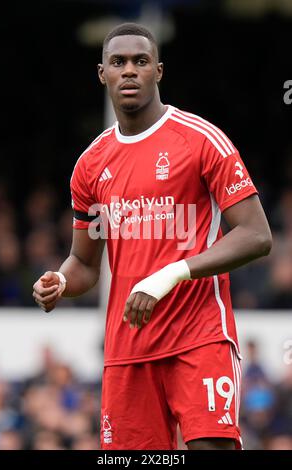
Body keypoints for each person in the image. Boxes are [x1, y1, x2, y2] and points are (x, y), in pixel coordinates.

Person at [33, 23, 272, 450]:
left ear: (158, 71)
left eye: (140, 62)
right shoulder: (90, 165)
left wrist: (173, 274)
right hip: (128, 351)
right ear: (101, 73)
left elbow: (256, 235)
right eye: (118, 62)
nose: (129, 71)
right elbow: (85, 263)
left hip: (199, 338)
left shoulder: (201, 141)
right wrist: (62, 281)